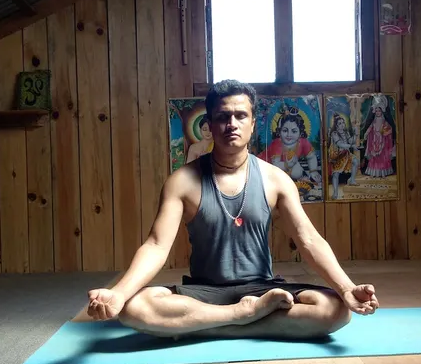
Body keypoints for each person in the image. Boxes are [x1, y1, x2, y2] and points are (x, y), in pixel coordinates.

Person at [87, 79, 379, 340]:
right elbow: (156, 245)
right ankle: (241, 316)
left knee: (335, 310)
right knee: (134, 308)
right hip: (204, 292)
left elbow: (309, 239)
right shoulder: (182, 181)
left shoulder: (276, 180)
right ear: (210, 124)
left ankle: (201, 324)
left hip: (263, 289)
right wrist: (119, 293)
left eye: (241, 115)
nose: (232, 124)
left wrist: (346, 288)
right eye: (222, 117)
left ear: (252, 123)